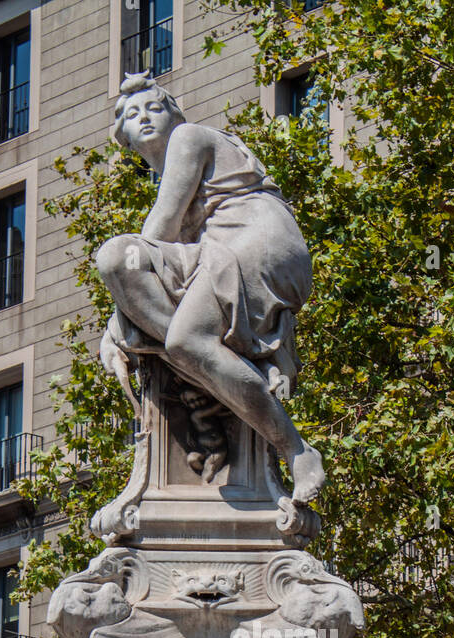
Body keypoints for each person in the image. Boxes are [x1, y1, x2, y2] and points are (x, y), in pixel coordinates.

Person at [96, 72, 325, 504]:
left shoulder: (189, 137)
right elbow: (140, 263)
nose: (143, 117)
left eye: (153, 107)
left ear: (174, 114)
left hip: (257, 240)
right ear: (121, 139)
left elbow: (158, 235)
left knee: (182, 336)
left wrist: (114, 329)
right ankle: (215, 376)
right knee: (115, 261)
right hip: (216, 257)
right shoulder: (170, 170)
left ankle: (295, 448)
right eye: (130, 114)